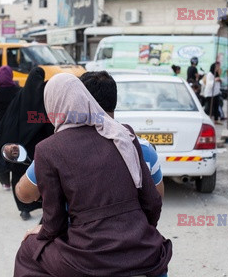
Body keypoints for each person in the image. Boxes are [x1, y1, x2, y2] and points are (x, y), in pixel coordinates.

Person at [14, 73, 172, 277]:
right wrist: (142, 234)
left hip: (87, 258)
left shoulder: (49, 149)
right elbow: (153, 201)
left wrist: (41, 233)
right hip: (144, 250)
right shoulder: (125, 135)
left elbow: (54, 222)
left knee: (28, 250)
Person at [15, 71, 164, 205]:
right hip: (136, 232)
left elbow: (24, 193)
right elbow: (157, 197)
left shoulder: (54, 150)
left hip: (76, 233)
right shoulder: (142, 147)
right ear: (114, 100)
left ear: (79, 99)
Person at [0, 67, 54, 220]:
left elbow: (10, 122)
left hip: (22, 147)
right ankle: (44, 205)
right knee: (43, 175)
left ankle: (24, 208)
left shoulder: (20, 97)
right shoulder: (45, 96)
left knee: (18, 175)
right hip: (42, 144)